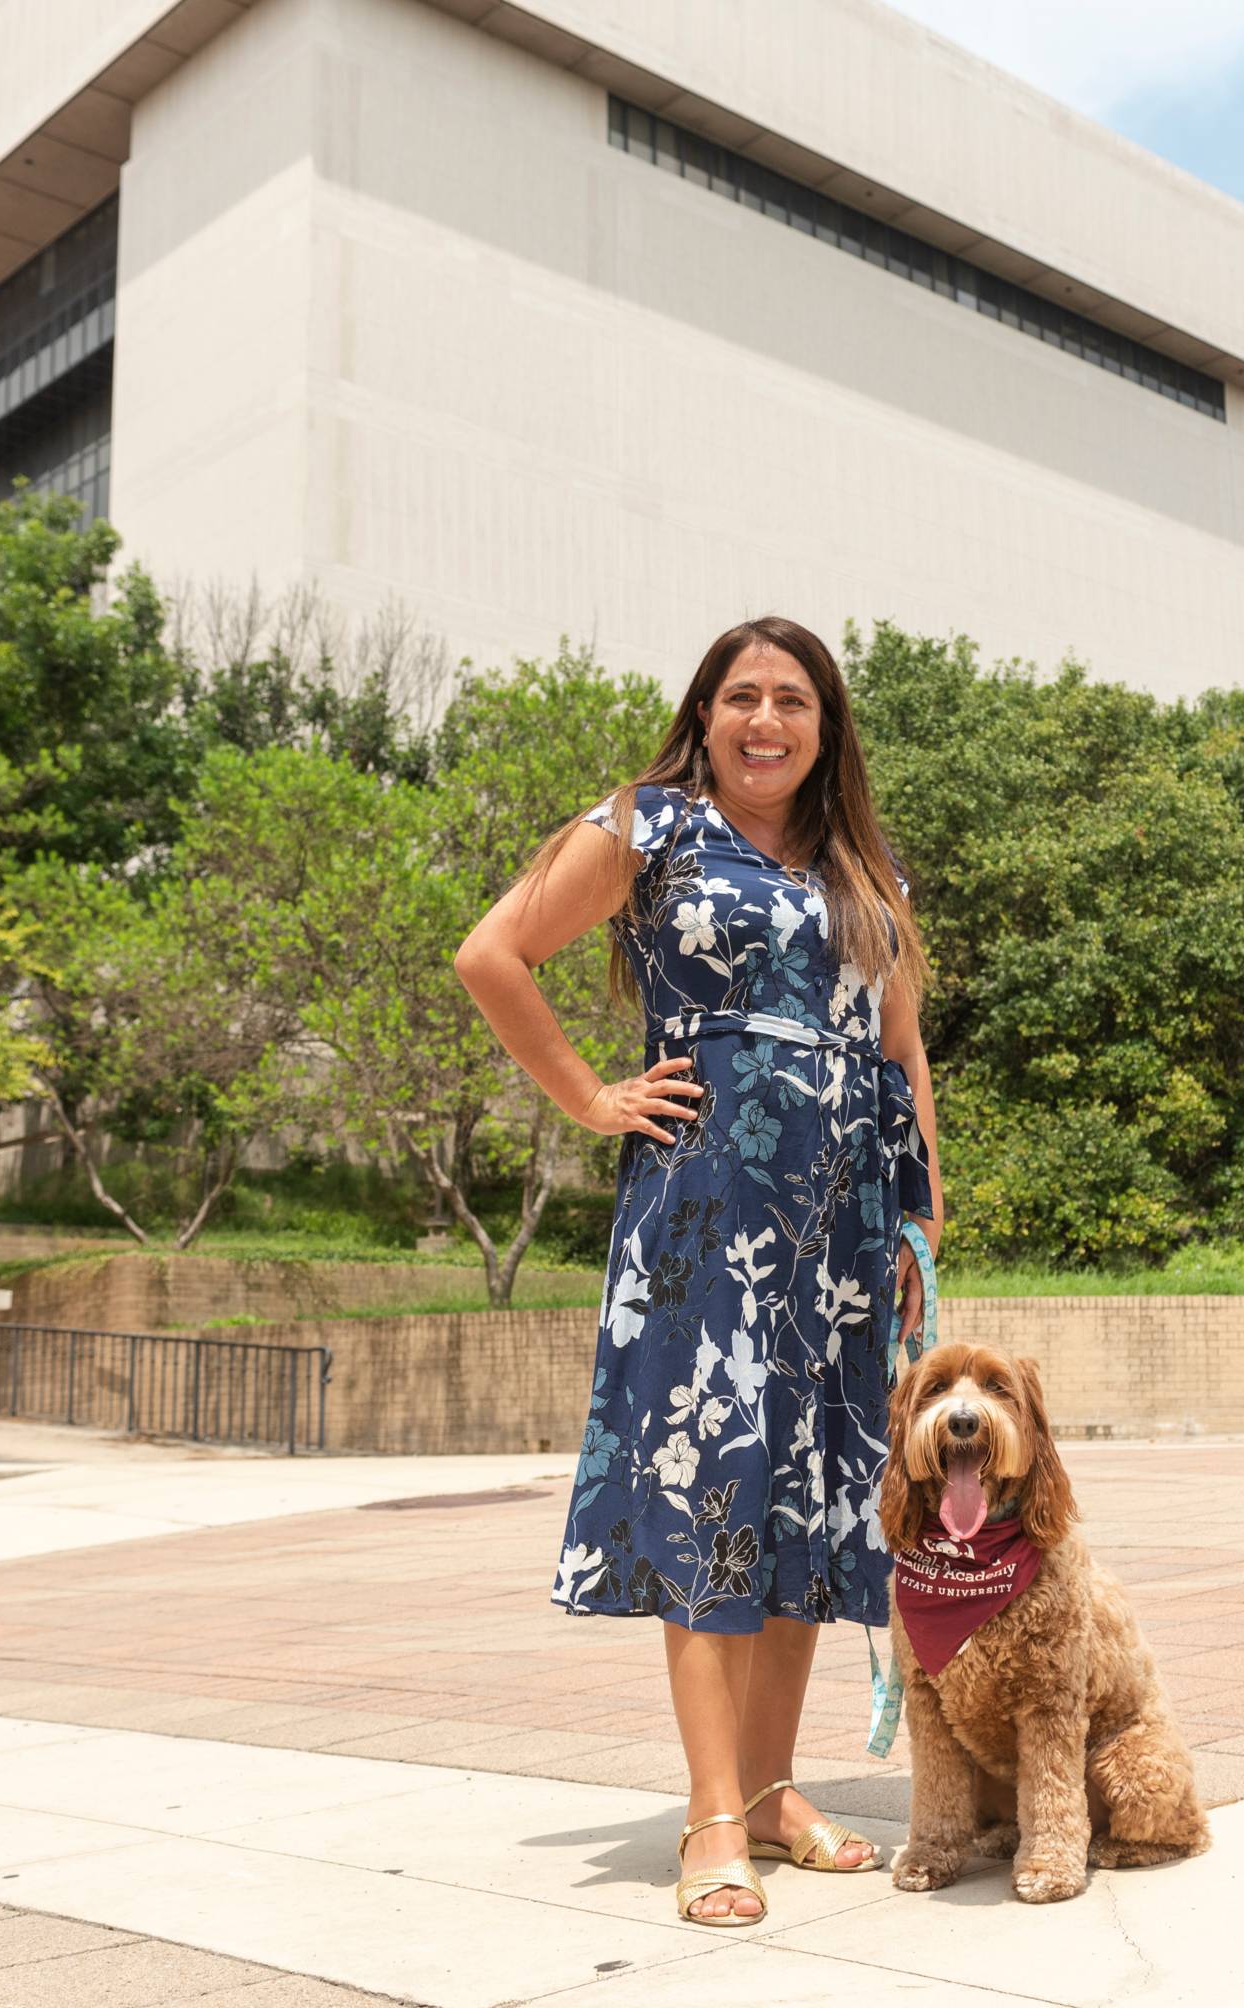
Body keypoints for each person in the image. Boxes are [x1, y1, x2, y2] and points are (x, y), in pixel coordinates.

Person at [454, 615, 944, 1927]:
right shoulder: (645, 824)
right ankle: (713, 1813)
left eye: (793, 700)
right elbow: (490, 956)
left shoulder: (864, 875)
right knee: (720, 1484)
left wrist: (919, 1221)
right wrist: (587, 1096)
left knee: (807, 1498)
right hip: (707, 1208)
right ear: (708, 711)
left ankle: (779, 1792)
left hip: (845, 1230)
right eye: (744, 696)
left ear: (826, 726)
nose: (766, 721)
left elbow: (903, 1056)